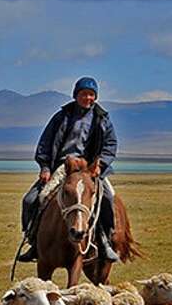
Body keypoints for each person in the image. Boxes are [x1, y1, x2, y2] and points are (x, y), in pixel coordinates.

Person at [17, 77, 120, 263]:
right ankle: (33, 241)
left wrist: (101, 163)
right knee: (31, 199)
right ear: (76, 95)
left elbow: (111, 144)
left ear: (95, 97)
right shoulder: (62, 116)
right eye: (83, 94)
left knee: (108, 199)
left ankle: (105, 241)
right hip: (62, 167)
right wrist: (45, 167)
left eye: (91, 94)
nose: (87, 98)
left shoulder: (102, 118)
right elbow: (45, 143)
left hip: (90, 169)